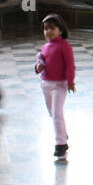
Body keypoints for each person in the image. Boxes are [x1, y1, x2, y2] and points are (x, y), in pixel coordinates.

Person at [34, 13, 76, 158]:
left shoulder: (65, 47)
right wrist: (38, 67)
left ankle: (60, 144)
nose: (48, 31)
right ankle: (63, 133)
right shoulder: (45, 47)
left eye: (52, 28)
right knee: (53, 114)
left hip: (59, 85)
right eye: (46, 29)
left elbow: (70, 66)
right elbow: (41, 64)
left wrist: (70, 82)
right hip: (46, 84)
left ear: (61, 30)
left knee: (57, 113)